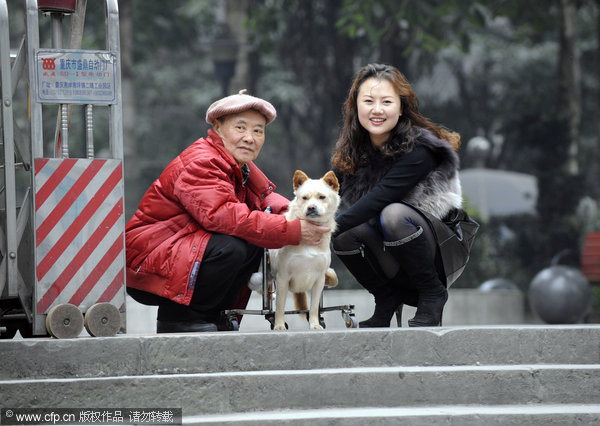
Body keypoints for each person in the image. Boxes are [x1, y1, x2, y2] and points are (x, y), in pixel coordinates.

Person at [125, 89, 330, 333]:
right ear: (217, 127)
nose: (250, 137)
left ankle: (216, 317)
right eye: (240, 128)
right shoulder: (203, 162)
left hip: (179, 252)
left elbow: (265, 197)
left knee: (254, 241)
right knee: (231, 246)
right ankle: (179, 318)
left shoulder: (238, 165)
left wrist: (302, 214)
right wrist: (294, 230)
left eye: (258, 130)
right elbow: (225, 216)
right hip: (149, 259)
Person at [331, 63, 468, 328]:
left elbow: (381, 197)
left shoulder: (421, 148)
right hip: (387, 245)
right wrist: (290, 220)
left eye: (386, 101)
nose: (377, 110)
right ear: (355, 106)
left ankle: (432, 294)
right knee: (344, 232)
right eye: (369, 101)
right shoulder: (352, 153)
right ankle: (386, 299)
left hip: (439, 247)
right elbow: (323, 193)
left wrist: (325, 226)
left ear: (401, 107)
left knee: (390, 214)